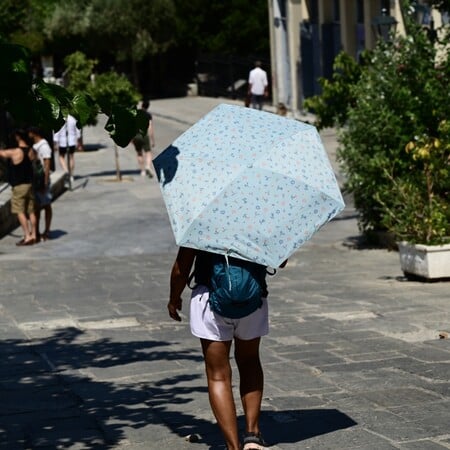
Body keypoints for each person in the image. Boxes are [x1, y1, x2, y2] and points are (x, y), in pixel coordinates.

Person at [168, 247, 287, 450]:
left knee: (218, 375)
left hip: (209, 296)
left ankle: (233, 446)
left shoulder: (201, 219)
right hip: (252, 296)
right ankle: (253, 434)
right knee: (250, 361)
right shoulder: (260, 216)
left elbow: (182, 265)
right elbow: (280, 260)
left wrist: (174, 298)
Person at [0, 129, 37, 246]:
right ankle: (34, 234)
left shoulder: (16, 152)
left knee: (19, 211)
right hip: (30, 184)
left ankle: (27, 236)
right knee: (31, 210)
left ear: (17, 137)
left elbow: (2, 153)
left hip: (19, 186)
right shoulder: (30, 150)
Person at [28, 127, 53, 241]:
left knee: (46, 205)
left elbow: (47, 165)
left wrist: (45, 182)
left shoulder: (44, 146)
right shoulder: (35, 146)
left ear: (34, 133)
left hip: (42, 180)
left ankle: (47, 230)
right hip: (36, 180)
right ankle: (36, 231)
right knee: (36, 207)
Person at [53, 114, 82, 182]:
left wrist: (55, 142)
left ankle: (66, 172)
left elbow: (57, 132)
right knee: (71, 157)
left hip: (62, 142)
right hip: (71, 141)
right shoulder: (72, 119)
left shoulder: (59, 120)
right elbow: (77, 130)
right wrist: (78, 140)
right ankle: (71, 174)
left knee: (61, 157)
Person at [131, 100, 155, 178]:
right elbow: (150, 128)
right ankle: (148, 166)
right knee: (148, 152)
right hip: (144, 135)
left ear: (141, 105)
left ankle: (142, 171)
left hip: (135, 135)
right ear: (148, 107)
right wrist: (152, 140)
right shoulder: (148, 115)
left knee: (139, 153)